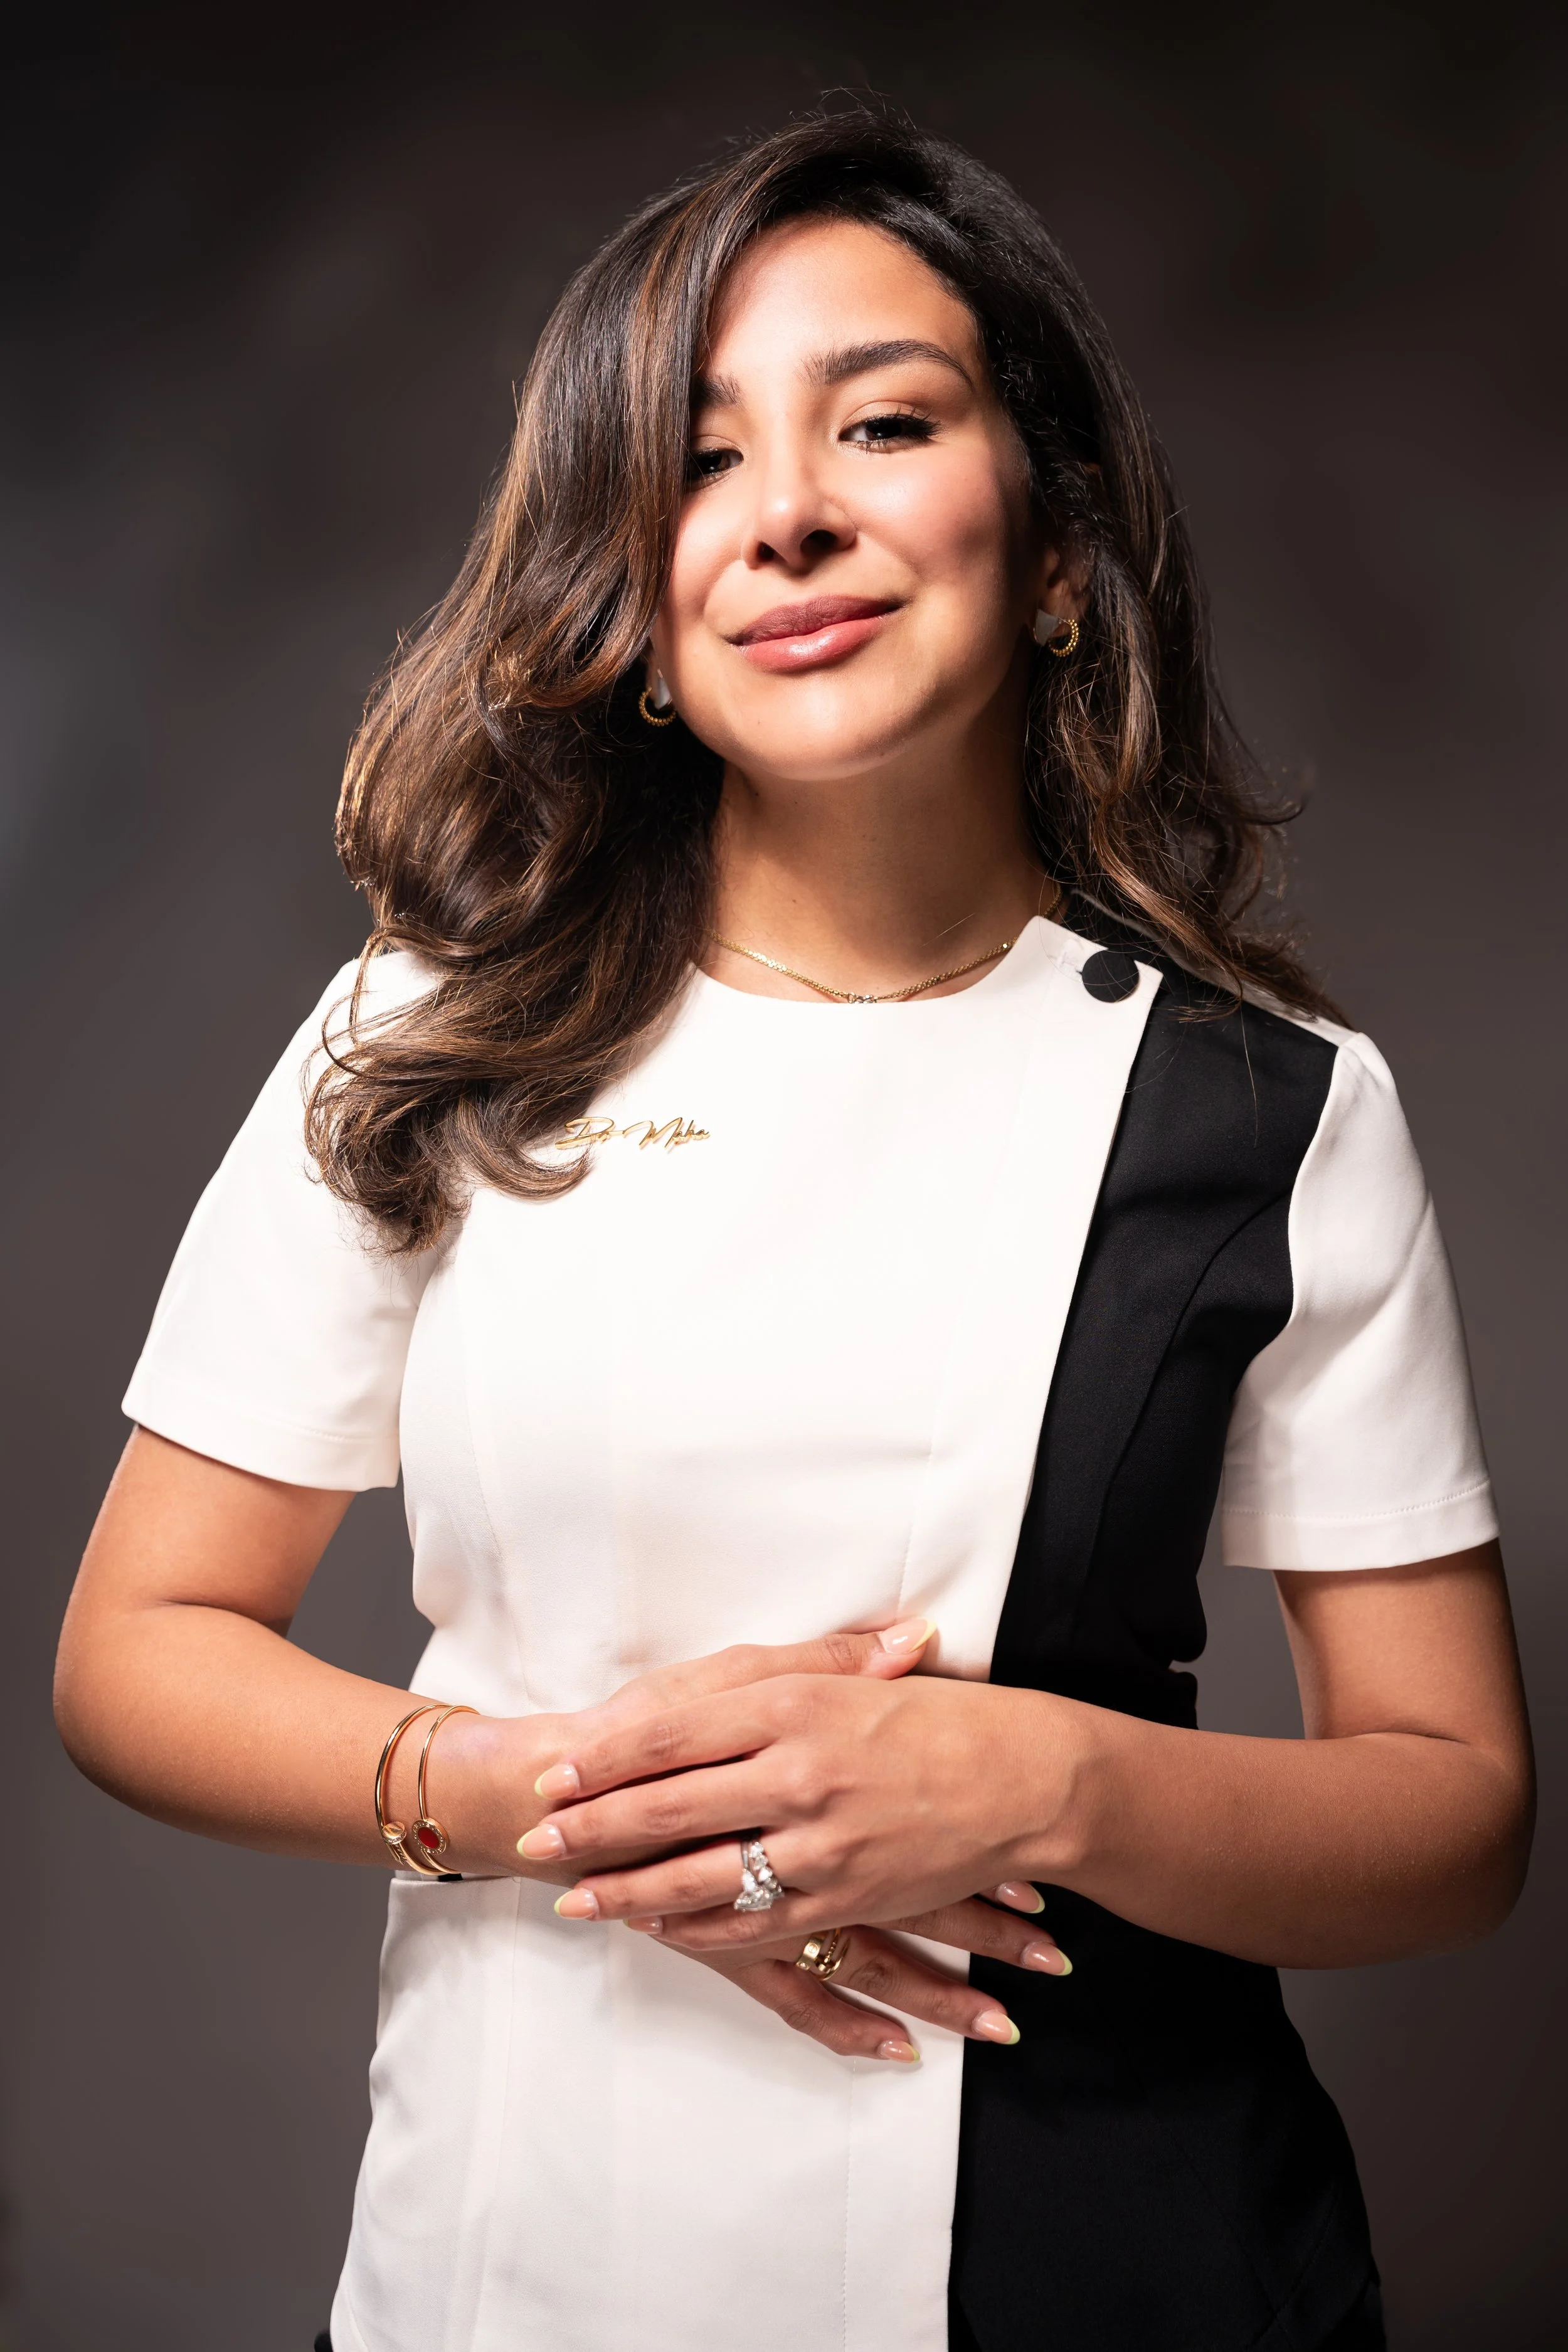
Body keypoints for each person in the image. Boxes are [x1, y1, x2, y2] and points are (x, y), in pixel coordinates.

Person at [54, 105, 1532, 2352]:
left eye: (883, 419)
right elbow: (135, 1646)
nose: (791, 517)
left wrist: (1041, 1773)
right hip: (524, 2249)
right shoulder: (422, 1039)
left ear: (1051, 544)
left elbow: (1452, 1809)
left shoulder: (1267, 1107)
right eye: (696, 462)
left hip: (1116, 2255)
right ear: (634, 605)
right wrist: (569, 1806)